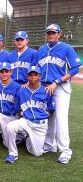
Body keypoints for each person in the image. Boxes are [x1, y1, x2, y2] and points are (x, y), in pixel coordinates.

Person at [34, 23, 81, 164]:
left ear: (59, 34)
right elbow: (36, 68)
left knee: (61, 119)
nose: (51, 35)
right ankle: (49, 145)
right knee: (49, 117)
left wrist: (57, 81)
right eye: (48, 33)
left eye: (54, 33)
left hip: (61, 87)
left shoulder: (66, 48)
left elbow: (75, 69)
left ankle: (65, 151)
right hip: (44, 86)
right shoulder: (41, 50)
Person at [4, 66, 55, 164]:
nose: (33, 77)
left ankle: (27, 139)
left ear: (39, 76)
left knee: (36, 153)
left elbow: (51, 110)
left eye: (35, 75)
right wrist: (19, 123)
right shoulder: (22, 90)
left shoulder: (46, 91)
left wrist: (46, 124)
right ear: (27, 77)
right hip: (26, 121)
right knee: (11, 127)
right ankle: (12, 154)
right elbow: (18, 109)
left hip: (40, 125)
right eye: (30, 75)